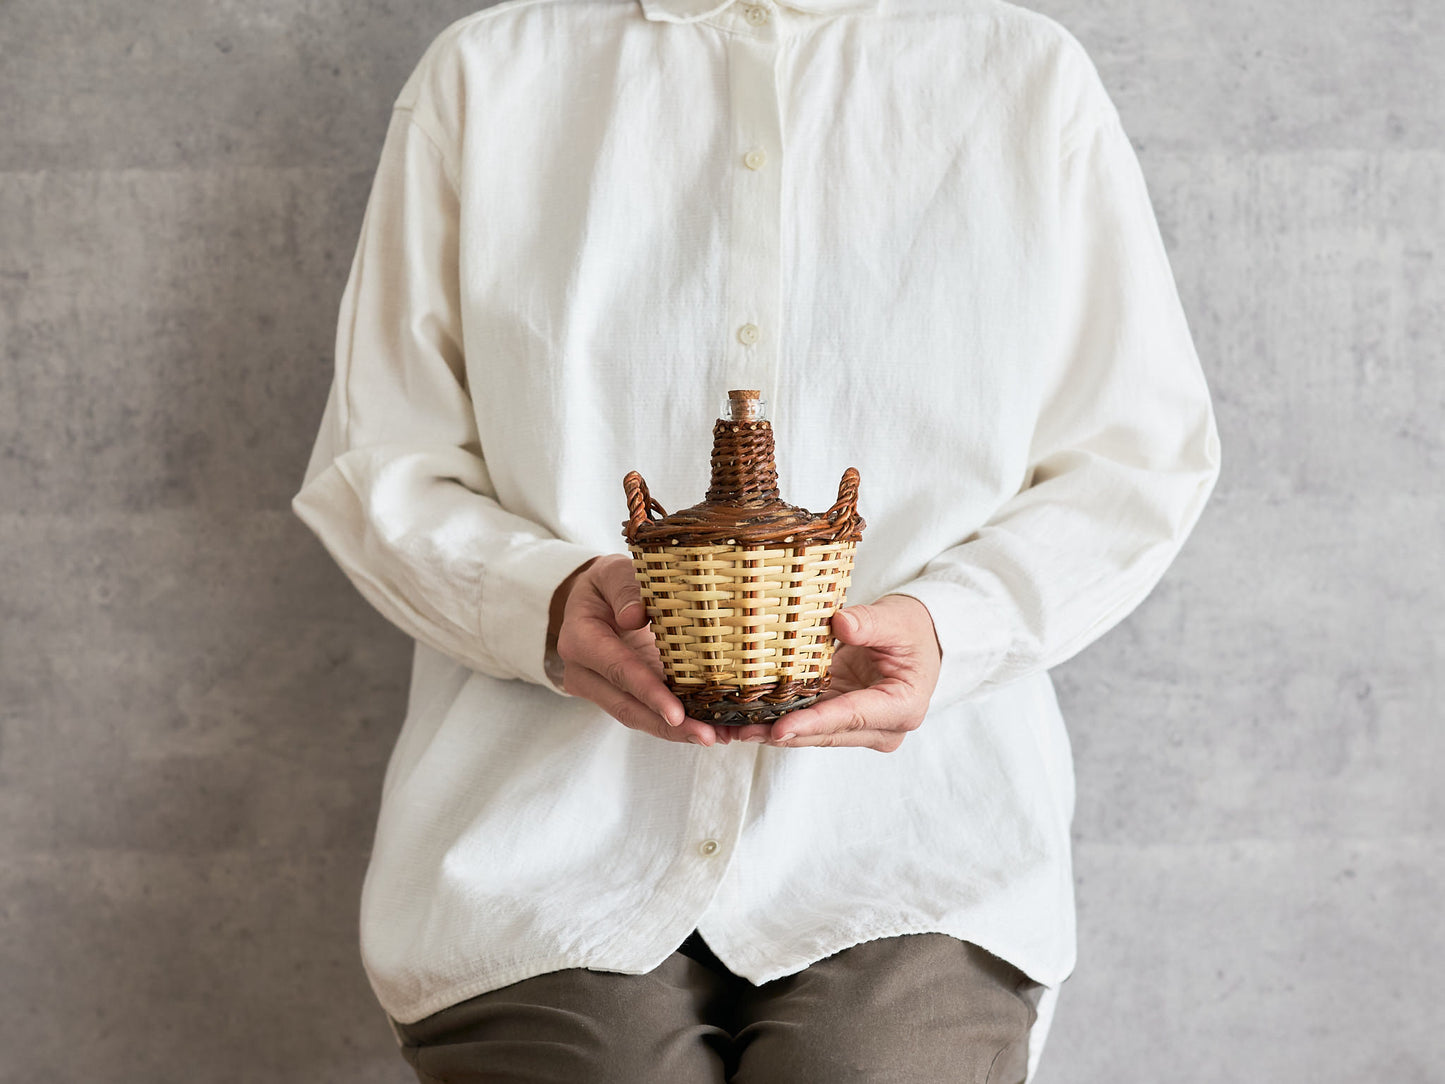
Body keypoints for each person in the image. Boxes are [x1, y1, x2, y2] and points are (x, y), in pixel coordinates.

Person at [290, 0, 1221, 1079]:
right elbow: (381, 463)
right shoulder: (489, 73)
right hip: (538, 843)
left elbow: (1132, 459)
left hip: (912, 845)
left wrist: (949, 628)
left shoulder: (1020, 74)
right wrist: (541, 604)